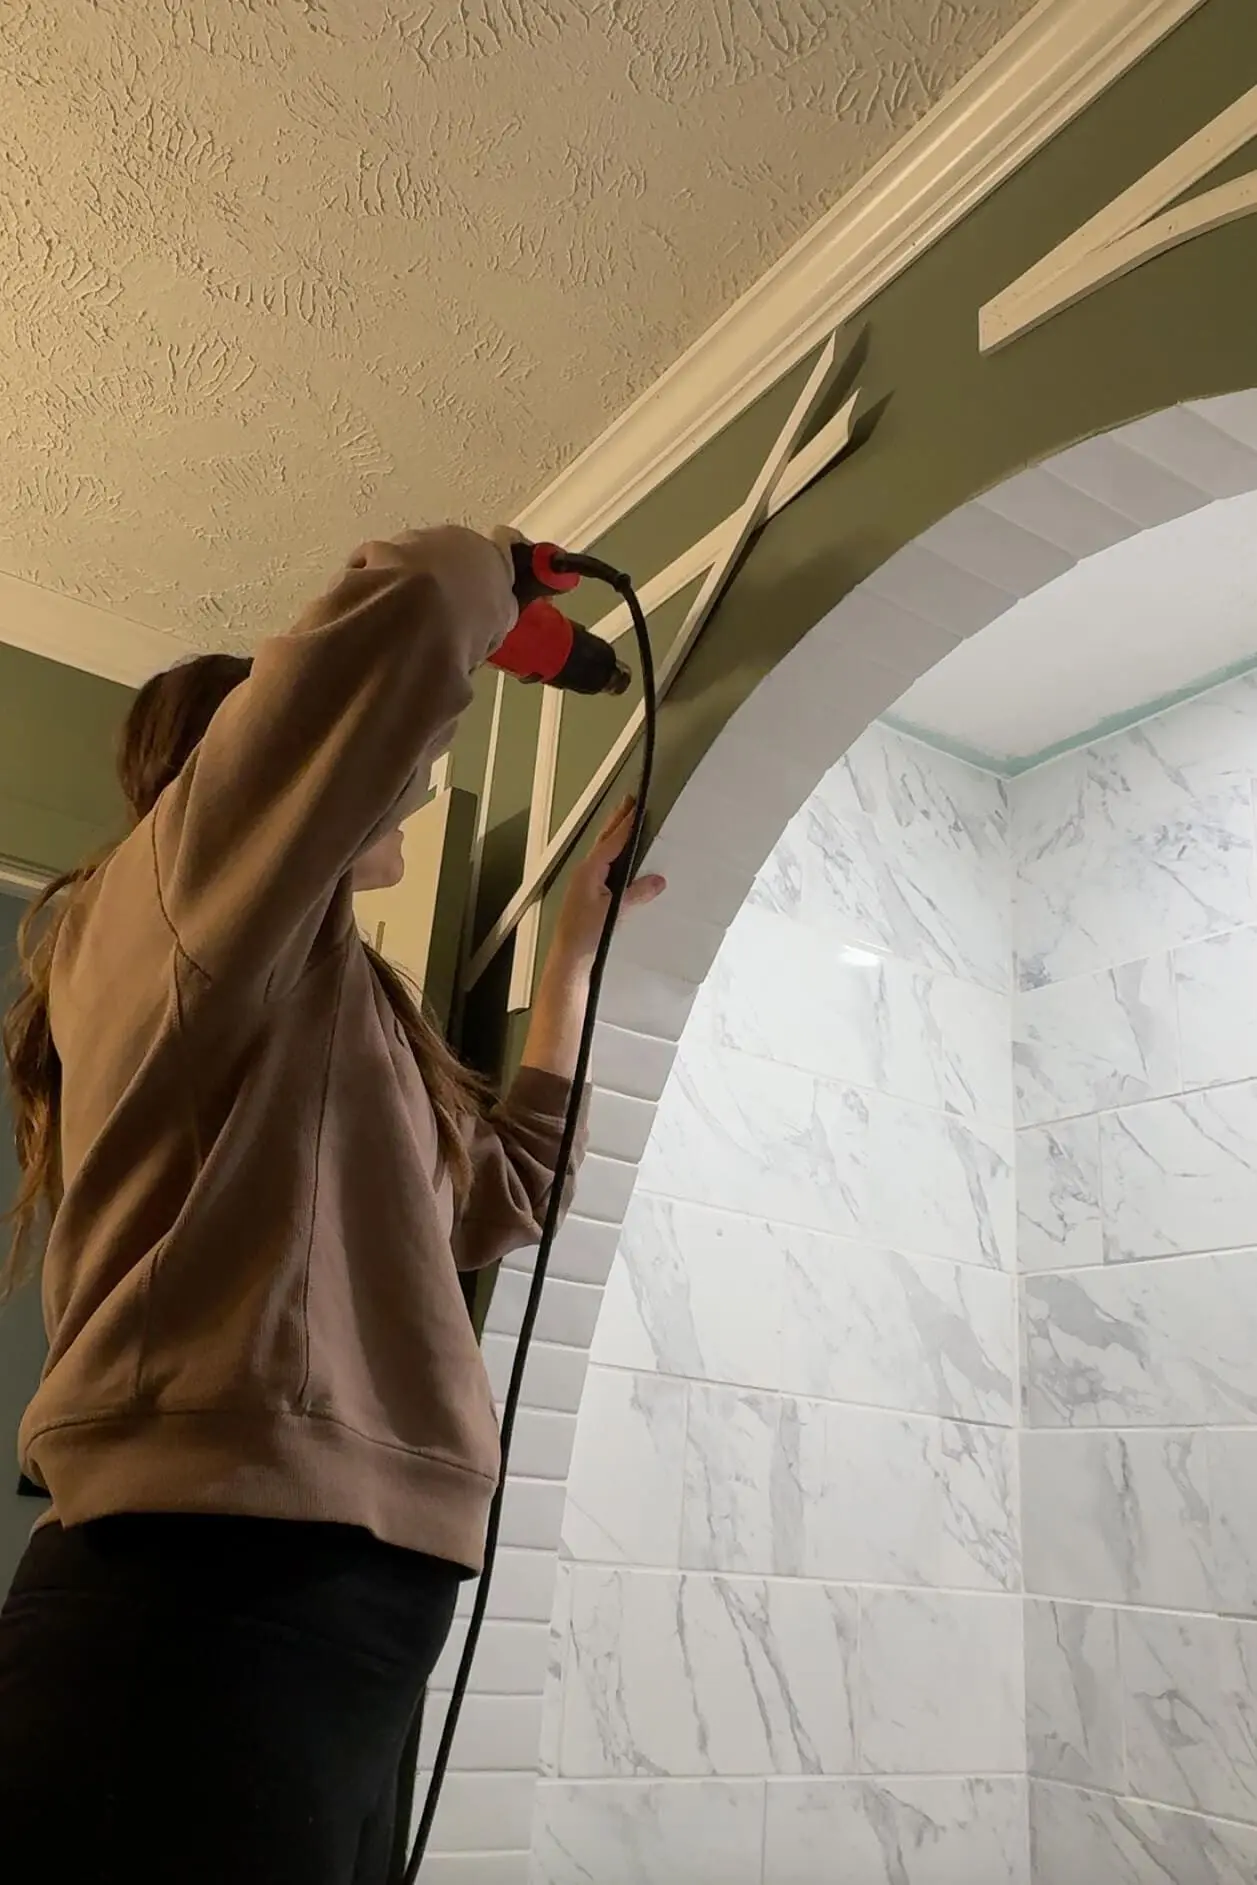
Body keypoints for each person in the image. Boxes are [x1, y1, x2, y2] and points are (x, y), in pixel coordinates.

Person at [0, 525, 664, 1885]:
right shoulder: (170, 903)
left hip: (343, 1629)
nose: (417, 782)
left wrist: (576, 957)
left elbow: (503, 1196)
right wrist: (496, 572)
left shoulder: (332, 1008)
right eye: (384, 759)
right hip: (202, 1609)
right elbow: (423, 596)